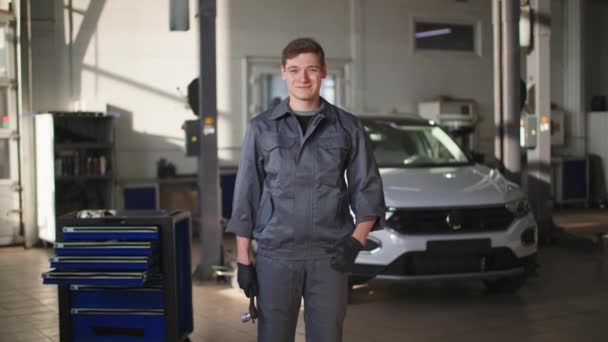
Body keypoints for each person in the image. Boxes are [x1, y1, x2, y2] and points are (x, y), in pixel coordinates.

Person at [227, 37, 386, 342]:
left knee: (327, 336)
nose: (303, 78)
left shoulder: (347, 127)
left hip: (330, 256)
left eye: (311, 69)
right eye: (295, 70)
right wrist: (244, 259)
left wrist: (355, 242)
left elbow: (367, 187)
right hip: (276, 255)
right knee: (273, 336)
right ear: (283, 72)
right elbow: (246, 194)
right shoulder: (261, 128)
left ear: (323, 72)